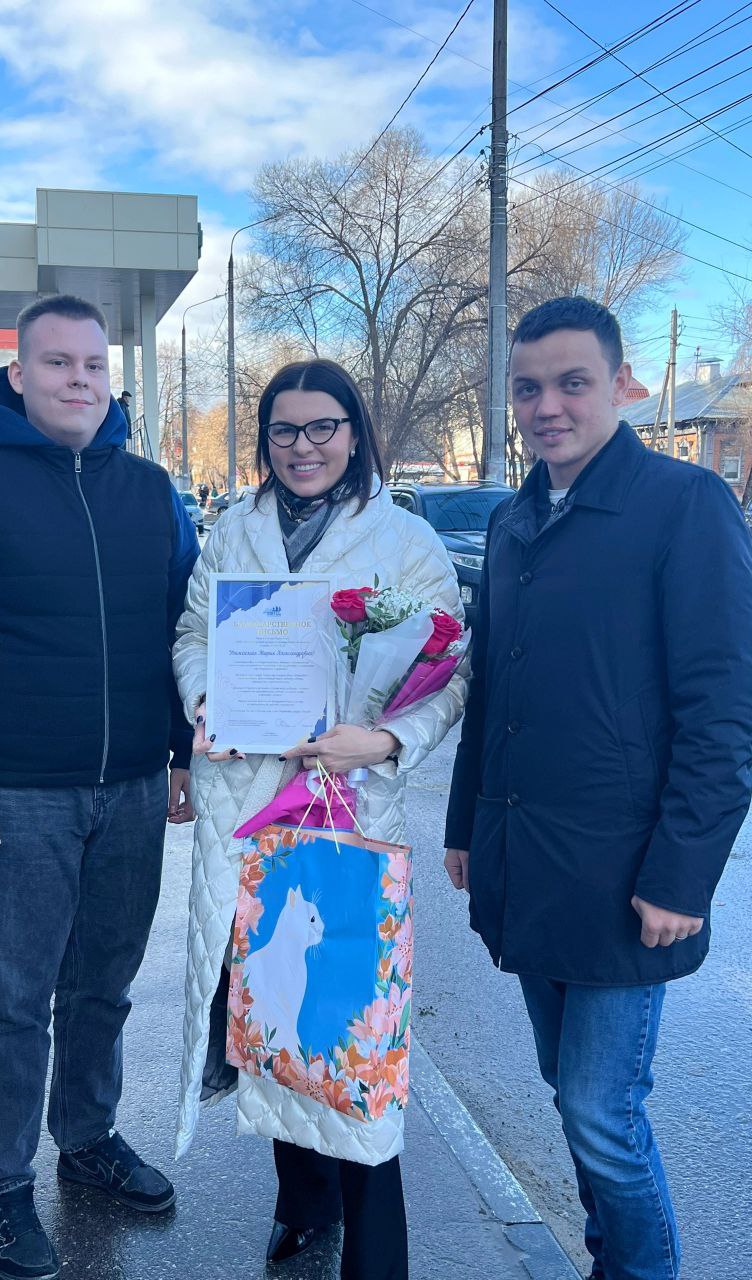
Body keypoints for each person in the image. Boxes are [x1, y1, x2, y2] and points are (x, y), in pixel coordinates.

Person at [0, 294, 199, 1280]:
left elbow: (187, 631)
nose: (79, 379)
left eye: (94, 365)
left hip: (132, 790)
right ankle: (5, 1183)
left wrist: (184, 750)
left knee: (103, 986)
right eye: (58, 363)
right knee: (15, 1001)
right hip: (14, 794)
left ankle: (88, 1136)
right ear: (18, 375)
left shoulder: (151, 491)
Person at [443, 296, 752, 1280]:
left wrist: (682, 877)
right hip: (530, 864)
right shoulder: (512, 519)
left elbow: (723, 715)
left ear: (623, 384)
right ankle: (608, 1259)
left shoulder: (684, 506)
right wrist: (464, 825)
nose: (547, 406)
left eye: (573, 382)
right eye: (528, 388)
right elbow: (492, 691)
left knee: (601, 1111)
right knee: (568, 1091)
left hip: (629, 877)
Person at [172, 358, 468, 1280]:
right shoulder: (233, 529)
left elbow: (452, 670)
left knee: (350, 1025)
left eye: (322, 427)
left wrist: (383, 740)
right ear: (264, 440)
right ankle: (302, 1208)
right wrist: (205, 698)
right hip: (244, 810)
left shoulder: (405, 540)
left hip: (346, 810)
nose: (302, 447)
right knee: (271, 1012)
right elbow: (193, 634)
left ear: (354, 432)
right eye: (283, 431)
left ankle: (376, 1252)